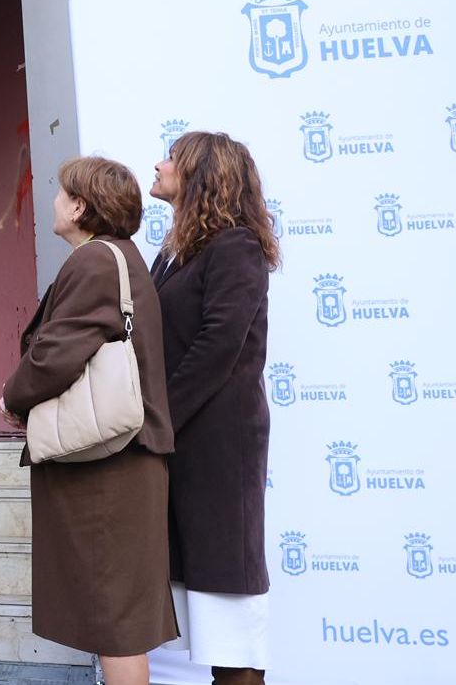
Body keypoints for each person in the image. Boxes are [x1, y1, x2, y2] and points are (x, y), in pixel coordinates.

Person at [0, 157, 177, 685]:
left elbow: (56, 352)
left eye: (59, 193)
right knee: (113, 613)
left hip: (110, 469)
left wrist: (12, 397)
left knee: (115, 617)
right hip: (117, 463)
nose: (53, 200)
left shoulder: (95, 260)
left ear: (79, 206)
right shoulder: (115, 256)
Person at [148, 132, 277, 685]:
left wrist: (157, 420)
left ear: (201, 175)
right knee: (196, 604)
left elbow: (218, 345)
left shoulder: (236, 246)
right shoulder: (176, 252)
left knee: (228, 606)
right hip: (181, 445)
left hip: (218, 448)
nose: (157, 165)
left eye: (171, 159)